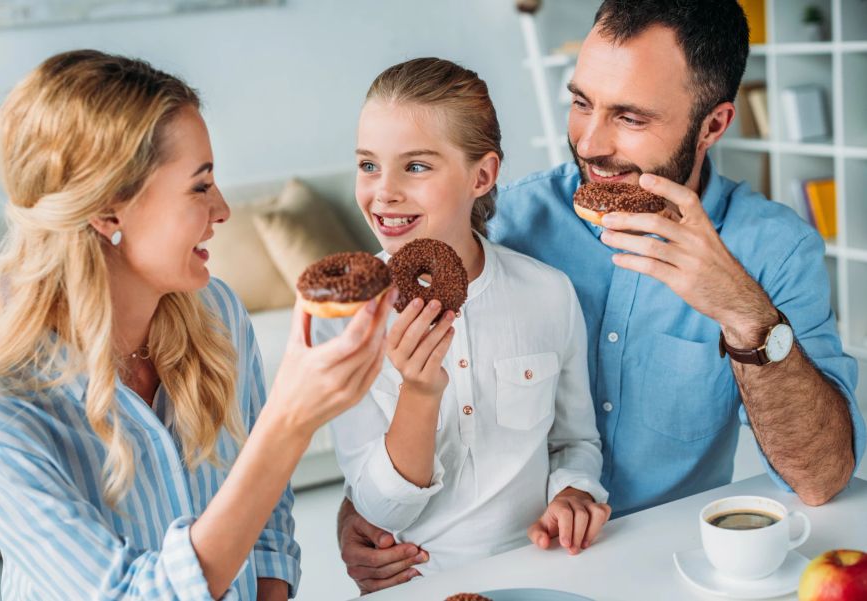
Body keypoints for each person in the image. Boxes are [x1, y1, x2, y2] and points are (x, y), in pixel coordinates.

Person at [337, 0, 866, 593]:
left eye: (631, 118)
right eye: (581, 101)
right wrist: (361, 508)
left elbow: (821, 480)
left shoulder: (773, 248)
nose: (588, 142)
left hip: (672, 561)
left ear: (713, 125)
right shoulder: (504, 226)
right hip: (522, 568)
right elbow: (411, 409)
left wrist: (742, 311)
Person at [0, 49, 394, 600]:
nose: (222, 209)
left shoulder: (217, 313)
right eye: (199, 186)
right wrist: (289, 423)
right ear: (106, 210)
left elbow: (267, 528)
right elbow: (127, 594)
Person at [313, 57, 610, 579]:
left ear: (483, 175)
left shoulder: (548, 293)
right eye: (368, 165)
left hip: (544, 570)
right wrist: (420, 393)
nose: (384, 191)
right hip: (419, 583)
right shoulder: (345, 320)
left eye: (417, 166)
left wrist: (572, 491)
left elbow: (574, 441)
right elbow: (380, 511)